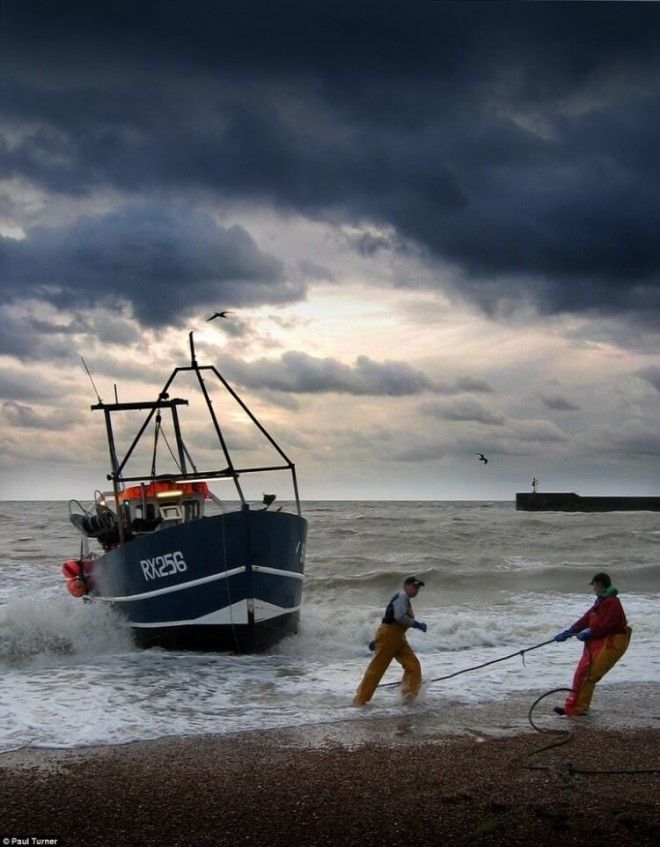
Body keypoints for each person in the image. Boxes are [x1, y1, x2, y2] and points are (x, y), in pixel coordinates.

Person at [553, 572, 631, 716]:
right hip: (599, 641)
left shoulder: (612, 602)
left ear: (599, 584)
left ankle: (578, 709)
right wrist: (570, 631)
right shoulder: (601, 601)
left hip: (613, 643)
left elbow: (608, 625)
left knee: (589, 675)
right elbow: (586, 618)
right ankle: (573, 707)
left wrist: (591, 633)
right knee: (582, 673)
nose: (593, 589)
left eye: (594, 585)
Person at [353, 576, 427, 706]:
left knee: (413, 665)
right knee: (377, 669)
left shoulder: (405, 600)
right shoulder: (402, 597)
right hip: (389, 636)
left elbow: (391, 618)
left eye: (418, 587)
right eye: (414, 586)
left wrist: (377, 641)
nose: (417, 590)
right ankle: (360, 700)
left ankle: (408, 697)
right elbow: (399, 617)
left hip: (398, 638)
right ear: (406, 586)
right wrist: (416, 624)